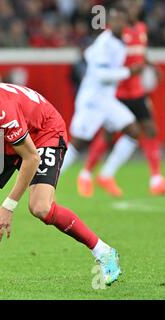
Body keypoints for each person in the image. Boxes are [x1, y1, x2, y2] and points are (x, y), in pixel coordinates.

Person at [0, 61, 121, 288]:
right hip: (4, 135)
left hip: (43, 132)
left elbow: (30, 158)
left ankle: (104, 251)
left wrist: (8, 207)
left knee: (41, 208)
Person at [76, 0, 165, 197]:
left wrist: (151, 65)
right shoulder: (114, 33)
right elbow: (96, 54)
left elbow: (140, 52)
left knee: (149, 129)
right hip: (117, 92)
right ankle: (87, 174)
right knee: (108, 135)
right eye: (132, 5)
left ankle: (156, 178)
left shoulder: (141, 28)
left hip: (136, 91)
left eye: (137, 6)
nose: (136, 8)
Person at [59, 6, 143, 197]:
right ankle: (45, 178)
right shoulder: (105, 43)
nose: (119, 24)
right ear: (109, 23)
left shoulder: (118, 41)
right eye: (115, 20)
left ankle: (106, 175)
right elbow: (100, 74)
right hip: (93, 99)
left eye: (122, 20)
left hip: (107, 100)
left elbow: (89, 55)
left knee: (133, 131)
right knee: (78, 144)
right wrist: (129, 72)